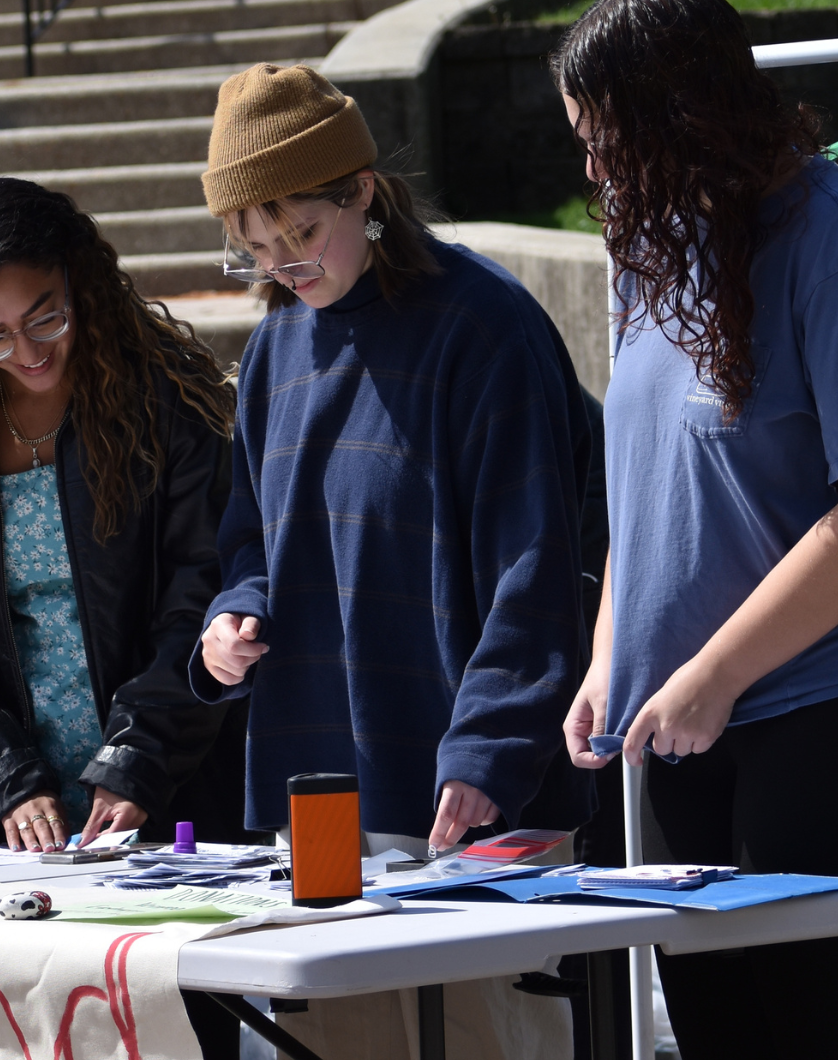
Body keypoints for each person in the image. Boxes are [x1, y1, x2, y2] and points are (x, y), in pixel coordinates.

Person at [554, 2, 838, 1057]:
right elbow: (645, 486)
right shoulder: (653, 238)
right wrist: (609, 654)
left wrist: (715, 671)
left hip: (837, 706)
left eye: (607, 144)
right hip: (681, 720)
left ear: (688, 117)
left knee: (822, 1034)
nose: (595, 174)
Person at [190, 64, 593, 1059]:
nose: (283, 263)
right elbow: (249, 531)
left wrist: (492, 745)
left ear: (361, 190)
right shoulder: (277, 345)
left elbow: (539, 555)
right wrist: (234, 613)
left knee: (483, 1037)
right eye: (256, 246)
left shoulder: (485, 327)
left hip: (466, 793)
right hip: (316, 787)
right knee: (342, 1041)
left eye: (299, 232)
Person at [0, 176, 247, 858]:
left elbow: (200, 594)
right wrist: (3, 776)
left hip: (179, 792)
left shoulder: (168, 406)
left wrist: (139, 759)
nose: (26, 352)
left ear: (80, 281)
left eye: (46, 318)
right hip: (22, 818)